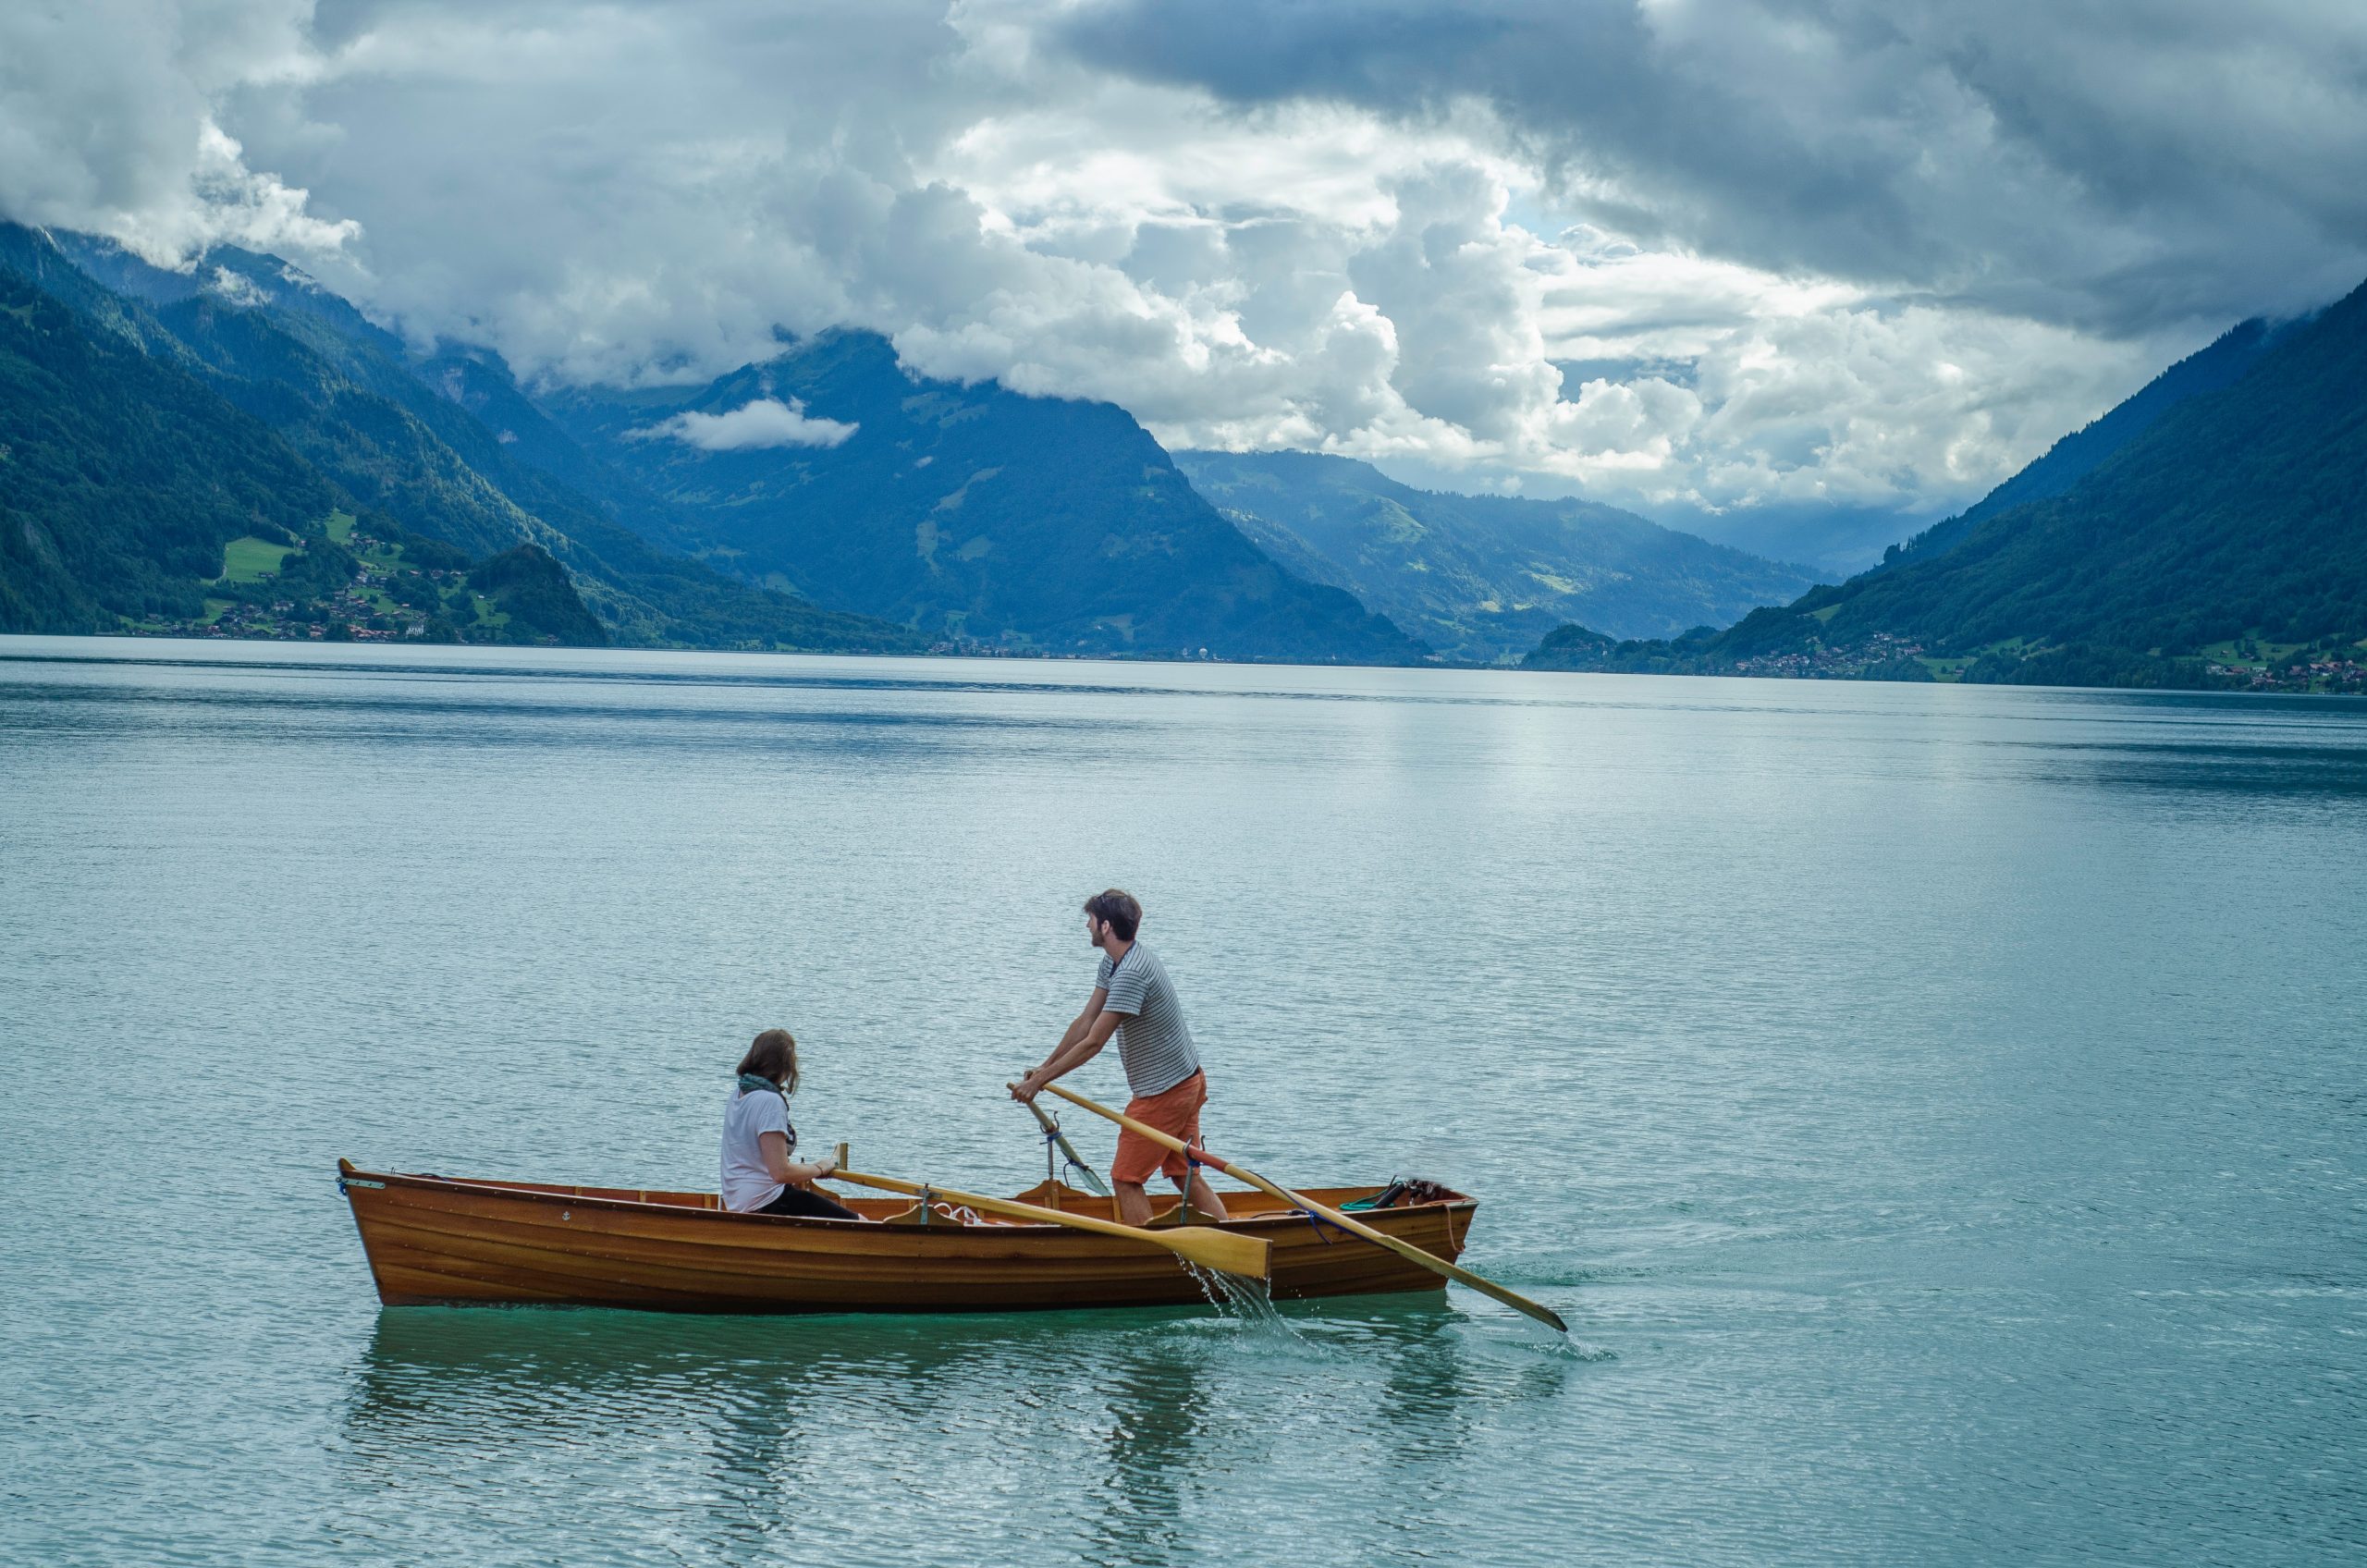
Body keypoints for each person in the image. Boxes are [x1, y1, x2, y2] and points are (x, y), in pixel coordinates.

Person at [1012, 889, 1228, 1228]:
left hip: (1165, 1094)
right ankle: (1232, 1238)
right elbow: (1085, 1022)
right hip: (1186, 1080)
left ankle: (1149, 1260)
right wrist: (1043, 1067)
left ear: (1107, 926)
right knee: (1183, 1175)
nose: (1087, 926)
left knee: (1126, 1179)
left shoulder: (1131, 974)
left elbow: (1094, 1042)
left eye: (1092, 920)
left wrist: (1042, 1081)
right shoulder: (1116, 963)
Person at [721, 1027, 859, 1219]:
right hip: (765, 1200)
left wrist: (806, 1171)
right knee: (860, 1222)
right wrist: (819, 1168)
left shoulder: (739, 1093)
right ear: (784, 1065)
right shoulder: (770, 1102)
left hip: (737, 1199)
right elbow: (780, 1172)